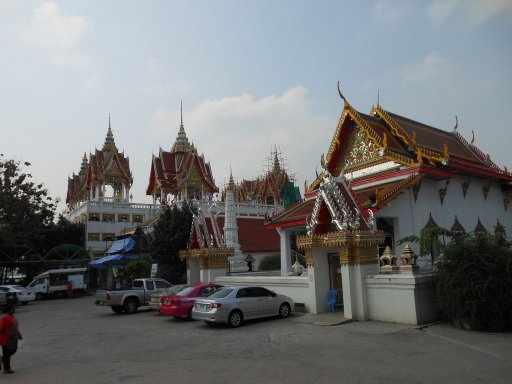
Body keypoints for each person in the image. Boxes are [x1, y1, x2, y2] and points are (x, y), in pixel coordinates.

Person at [0, 305, 22, 374]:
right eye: (13, 309)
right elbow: (0, 328)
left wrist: (19, 334)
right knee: (7, 353)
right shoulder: (5, 318)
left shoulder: (12, 317)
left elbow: (15, 326)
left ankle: (2, 361)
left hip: (13, 338)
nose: (14, 310)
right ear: (8, 310)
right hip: (6, 339)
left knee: (13, 350)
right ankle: (6, 369)